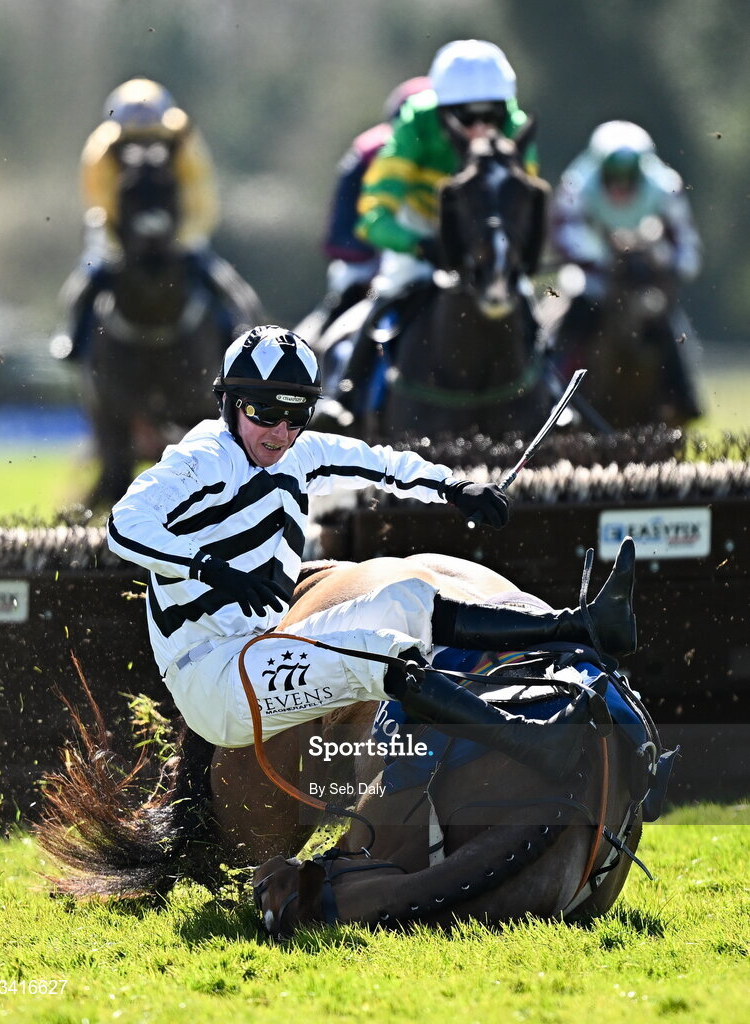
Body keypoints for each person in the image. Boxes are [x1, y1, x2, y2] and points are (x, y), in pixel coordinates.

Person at [107, 325, 636, 779]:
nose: (281, 433)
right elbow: (123, 525)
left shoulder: (301, 451)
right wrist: (208, 568)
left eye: (297, 416)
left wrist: (456, 488)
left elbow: (380, 463)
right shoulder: (203, 458)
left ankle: (579, 627)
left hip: (265, 644)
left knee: (406, 598)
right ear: (228, 404)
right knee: (383, 650)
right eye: (265, 412)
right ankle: (533, 744)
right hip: (213, 679)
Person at [338, 39, 544, 419]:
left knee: (527, 302)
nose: (481, 128)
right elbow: (373, 216)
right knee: (386, 299)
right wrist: (418, 246)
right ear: (444, 111)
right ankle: (345, 397)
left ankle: (551, 390)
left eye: (492, 116)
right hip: (420, 231)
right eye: (467, 117)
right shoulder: (416, 120)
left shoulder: (517, 128)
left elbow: (523, 208)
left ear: (506, 109)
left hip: (484, 241)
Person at [53, 77, 222, 362]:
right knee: (87, 278)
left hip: (180, 232)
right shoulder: (102, 148)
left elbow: (202, 197)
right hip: (117, 234)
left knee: (222, 283)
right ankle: (72, 335)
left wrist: (183, 237)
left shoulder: (183, 141)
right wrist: (123, 240)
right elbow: (98, 201)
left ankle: (238, 333)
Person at [549, 120, 702, 414]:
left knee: (664, 322)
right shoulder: (577, 185)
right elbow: (565, 233)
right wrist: (604, 254)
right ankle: (554, 390)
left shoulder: (665, 187)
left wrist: (666, 261)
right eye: (613, 177)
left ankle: (682, 397)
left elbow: (685, 242)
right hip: (595, 276)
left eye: (627, 178)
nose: (620, 187)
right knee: (572, 320)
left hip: (643, 278)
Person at [321, 76, 432, 316]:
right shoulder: (368, 150)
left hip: (428, 252)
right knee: (343, 302)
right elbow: (345, 214)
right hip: (367, 255)